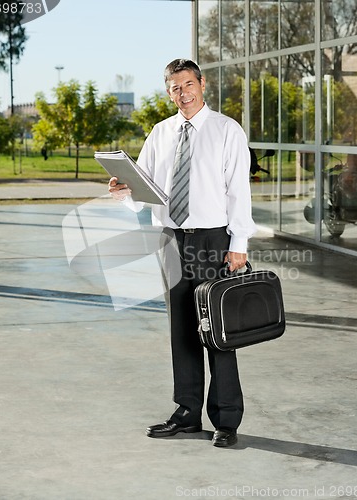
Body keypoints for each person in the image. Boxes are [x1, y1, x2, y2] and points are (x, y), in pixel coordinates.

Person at [109, 59, 257, 447]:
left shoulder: (227, 130)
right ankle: (188, 413)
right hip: (171, 239)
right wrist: (124, 190)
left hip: (213, 239)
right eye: (175, 87)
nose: (183, 93)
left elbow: (239, 192)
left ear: (202, 84)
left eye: (189, 84)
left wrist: (238, 246)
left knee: (217, 330)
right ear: (168, 91)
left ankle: (226, 419)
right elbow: (145, 187)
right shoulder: (160, 133)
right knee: (182, 330)